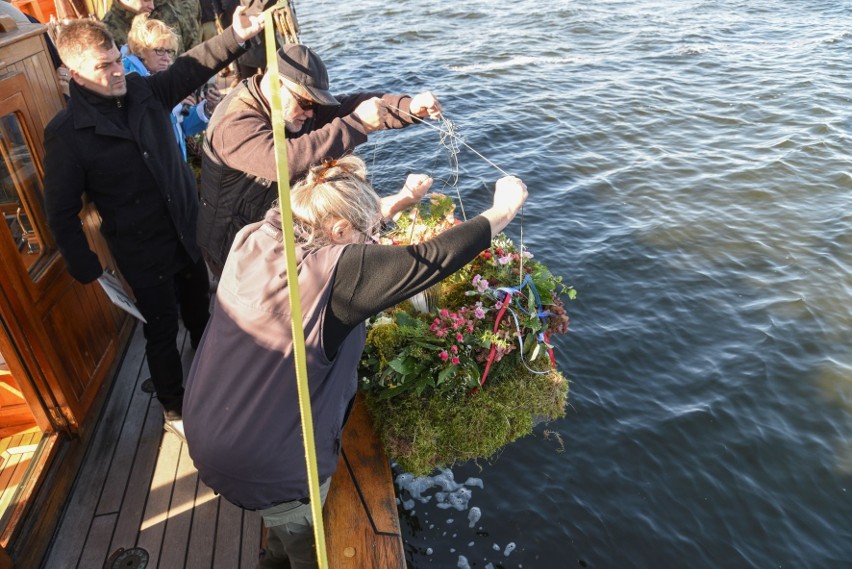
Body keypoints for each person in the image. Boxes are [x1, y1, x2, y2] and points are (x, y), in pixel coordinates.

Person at [183, 155, 527, 568]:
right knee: (309, 545)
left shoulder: (257, 235)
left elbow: (330, 221)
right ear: (340, 231)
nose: (373, 242)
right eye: (370, 235)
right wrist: (503, 209)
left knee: (279, 530)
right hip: (266, 464)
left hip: (207, 427)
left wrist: (398, 201)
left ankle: (272, 554)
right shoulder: (341, 274)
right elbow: (432, 258)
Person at [43, 10, 264, 439]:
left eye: (114, 59)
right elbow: (60, 210)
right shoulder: (67, 134)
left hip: (185, 230)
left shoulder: (144, 90)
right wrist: (81, 262)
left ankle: (214, 381)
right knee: (161, 330)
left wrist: (236, 35)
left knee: (202, 310)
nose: (115, 72)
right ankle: (174, 409)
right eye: (102, 67)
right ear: (74, 74)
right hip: (142, 251)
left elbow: (190, 67)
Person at [197, 43, 444, 276]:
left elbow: (346, 107)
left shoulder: (289, 107)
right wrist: (357, 125)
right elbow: (284, 162)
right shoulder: (234, 123)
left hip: (271, 233)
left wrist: (408, 108)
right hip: (234, 246)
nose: (311, 112)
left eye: (315, 104)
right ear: (276, 84)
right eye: (305, 102)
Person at [122, 14, 222, 160]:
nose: (166, 58)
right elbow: (146, 127)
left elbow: (183, 127)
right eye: (160, 50)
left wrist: (208, 108)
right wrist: (170, 102)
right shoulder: (128, 79)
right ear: (140, 50)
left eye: (169, 51)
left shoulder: (160, 76)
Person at [103, 0, 201, 55]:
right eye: (146, 0)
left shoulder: (166, 7)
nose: (152, 6)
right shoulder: (108, 29)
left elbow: (192, 45)